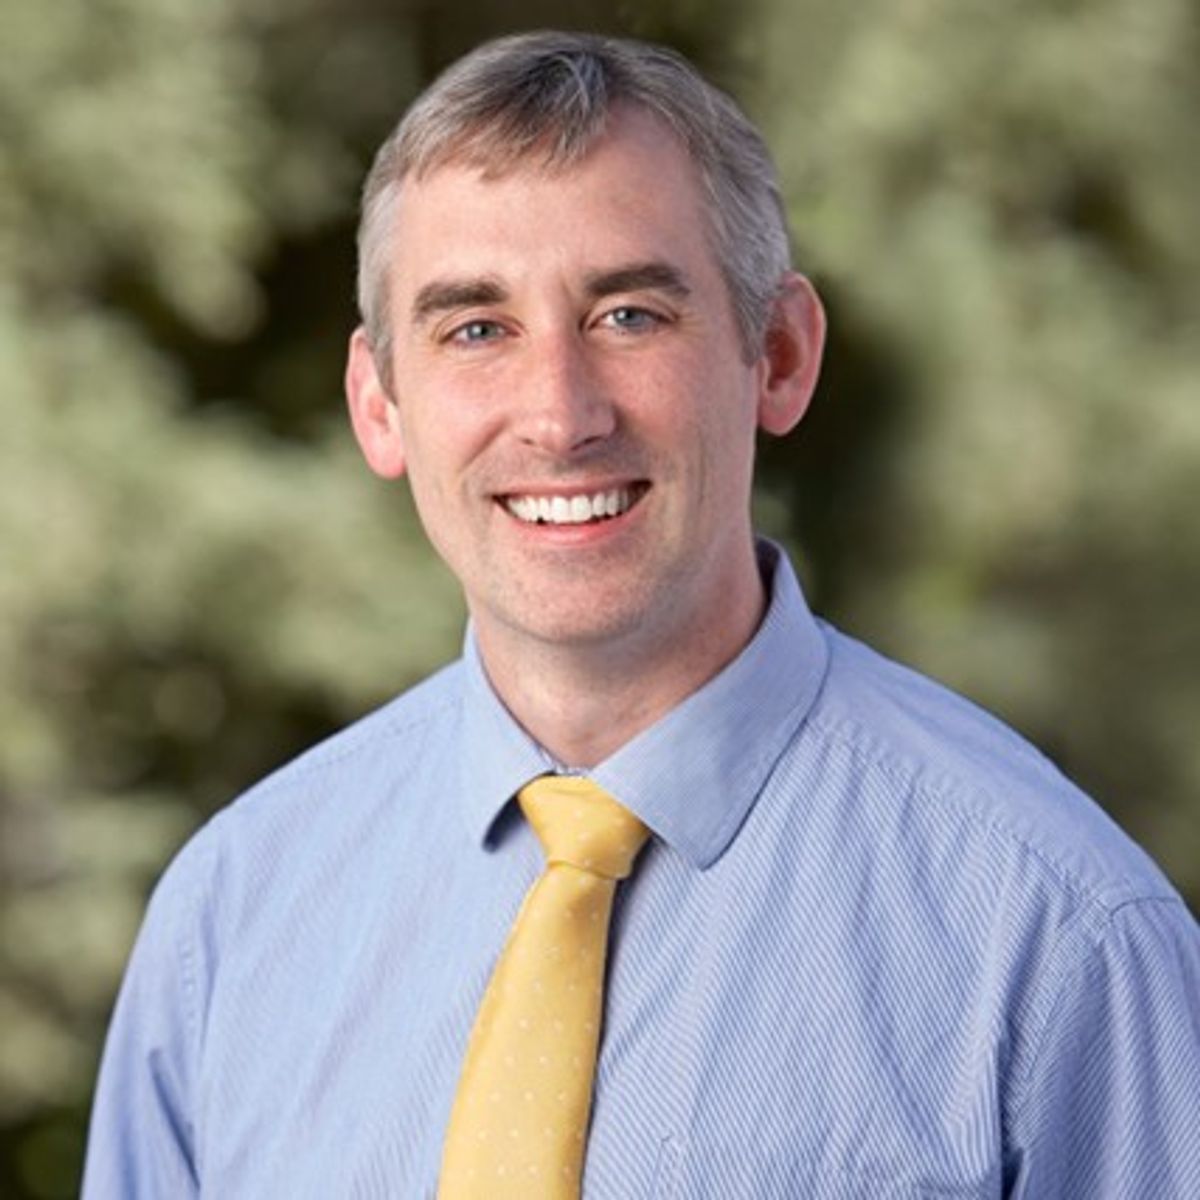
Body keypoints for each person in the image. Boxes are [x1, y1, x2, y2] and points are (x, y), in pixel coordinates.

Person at [83, 30, 1199, 1200]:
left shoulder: (1060, 937)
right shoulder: (233, 921)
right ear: (380, 404)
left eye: (628, 316)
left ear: (777, 355)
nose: (559, 416)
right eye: (476, 328)